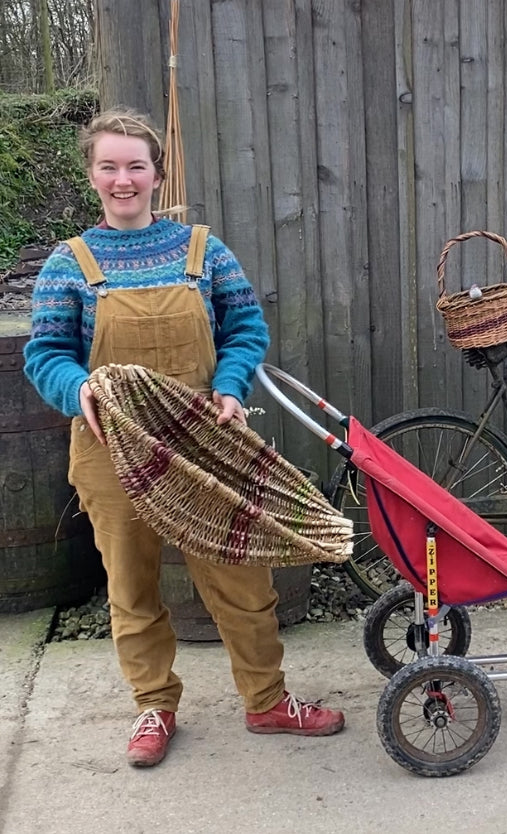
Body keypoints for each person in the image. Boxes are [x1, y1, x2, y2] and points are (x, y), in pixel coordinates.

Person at [23, 107, 345, 768]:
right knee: (132, 589)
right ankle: (154, 706)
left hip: (205, 442)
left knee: (241, 582)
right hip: (111, 447)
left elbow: (245, 328)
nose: (123, 179)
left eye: (135, 165)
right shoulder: (69, 263)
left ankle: (267, 702)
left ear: (156, 174)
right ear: (92, 176)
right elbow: (46, 353)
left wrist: (230, 386)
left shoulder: (201, 250)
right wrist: (77, 389)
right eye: (109, 166)